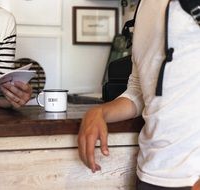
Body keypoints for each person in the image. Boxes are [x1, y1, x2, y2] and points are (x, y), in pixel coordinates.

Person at [78, 0, 200, 189]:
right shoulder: (143, 7)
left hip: (191, 177)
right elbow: (139, 89)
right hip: (150, 172)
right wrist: (99, 112)